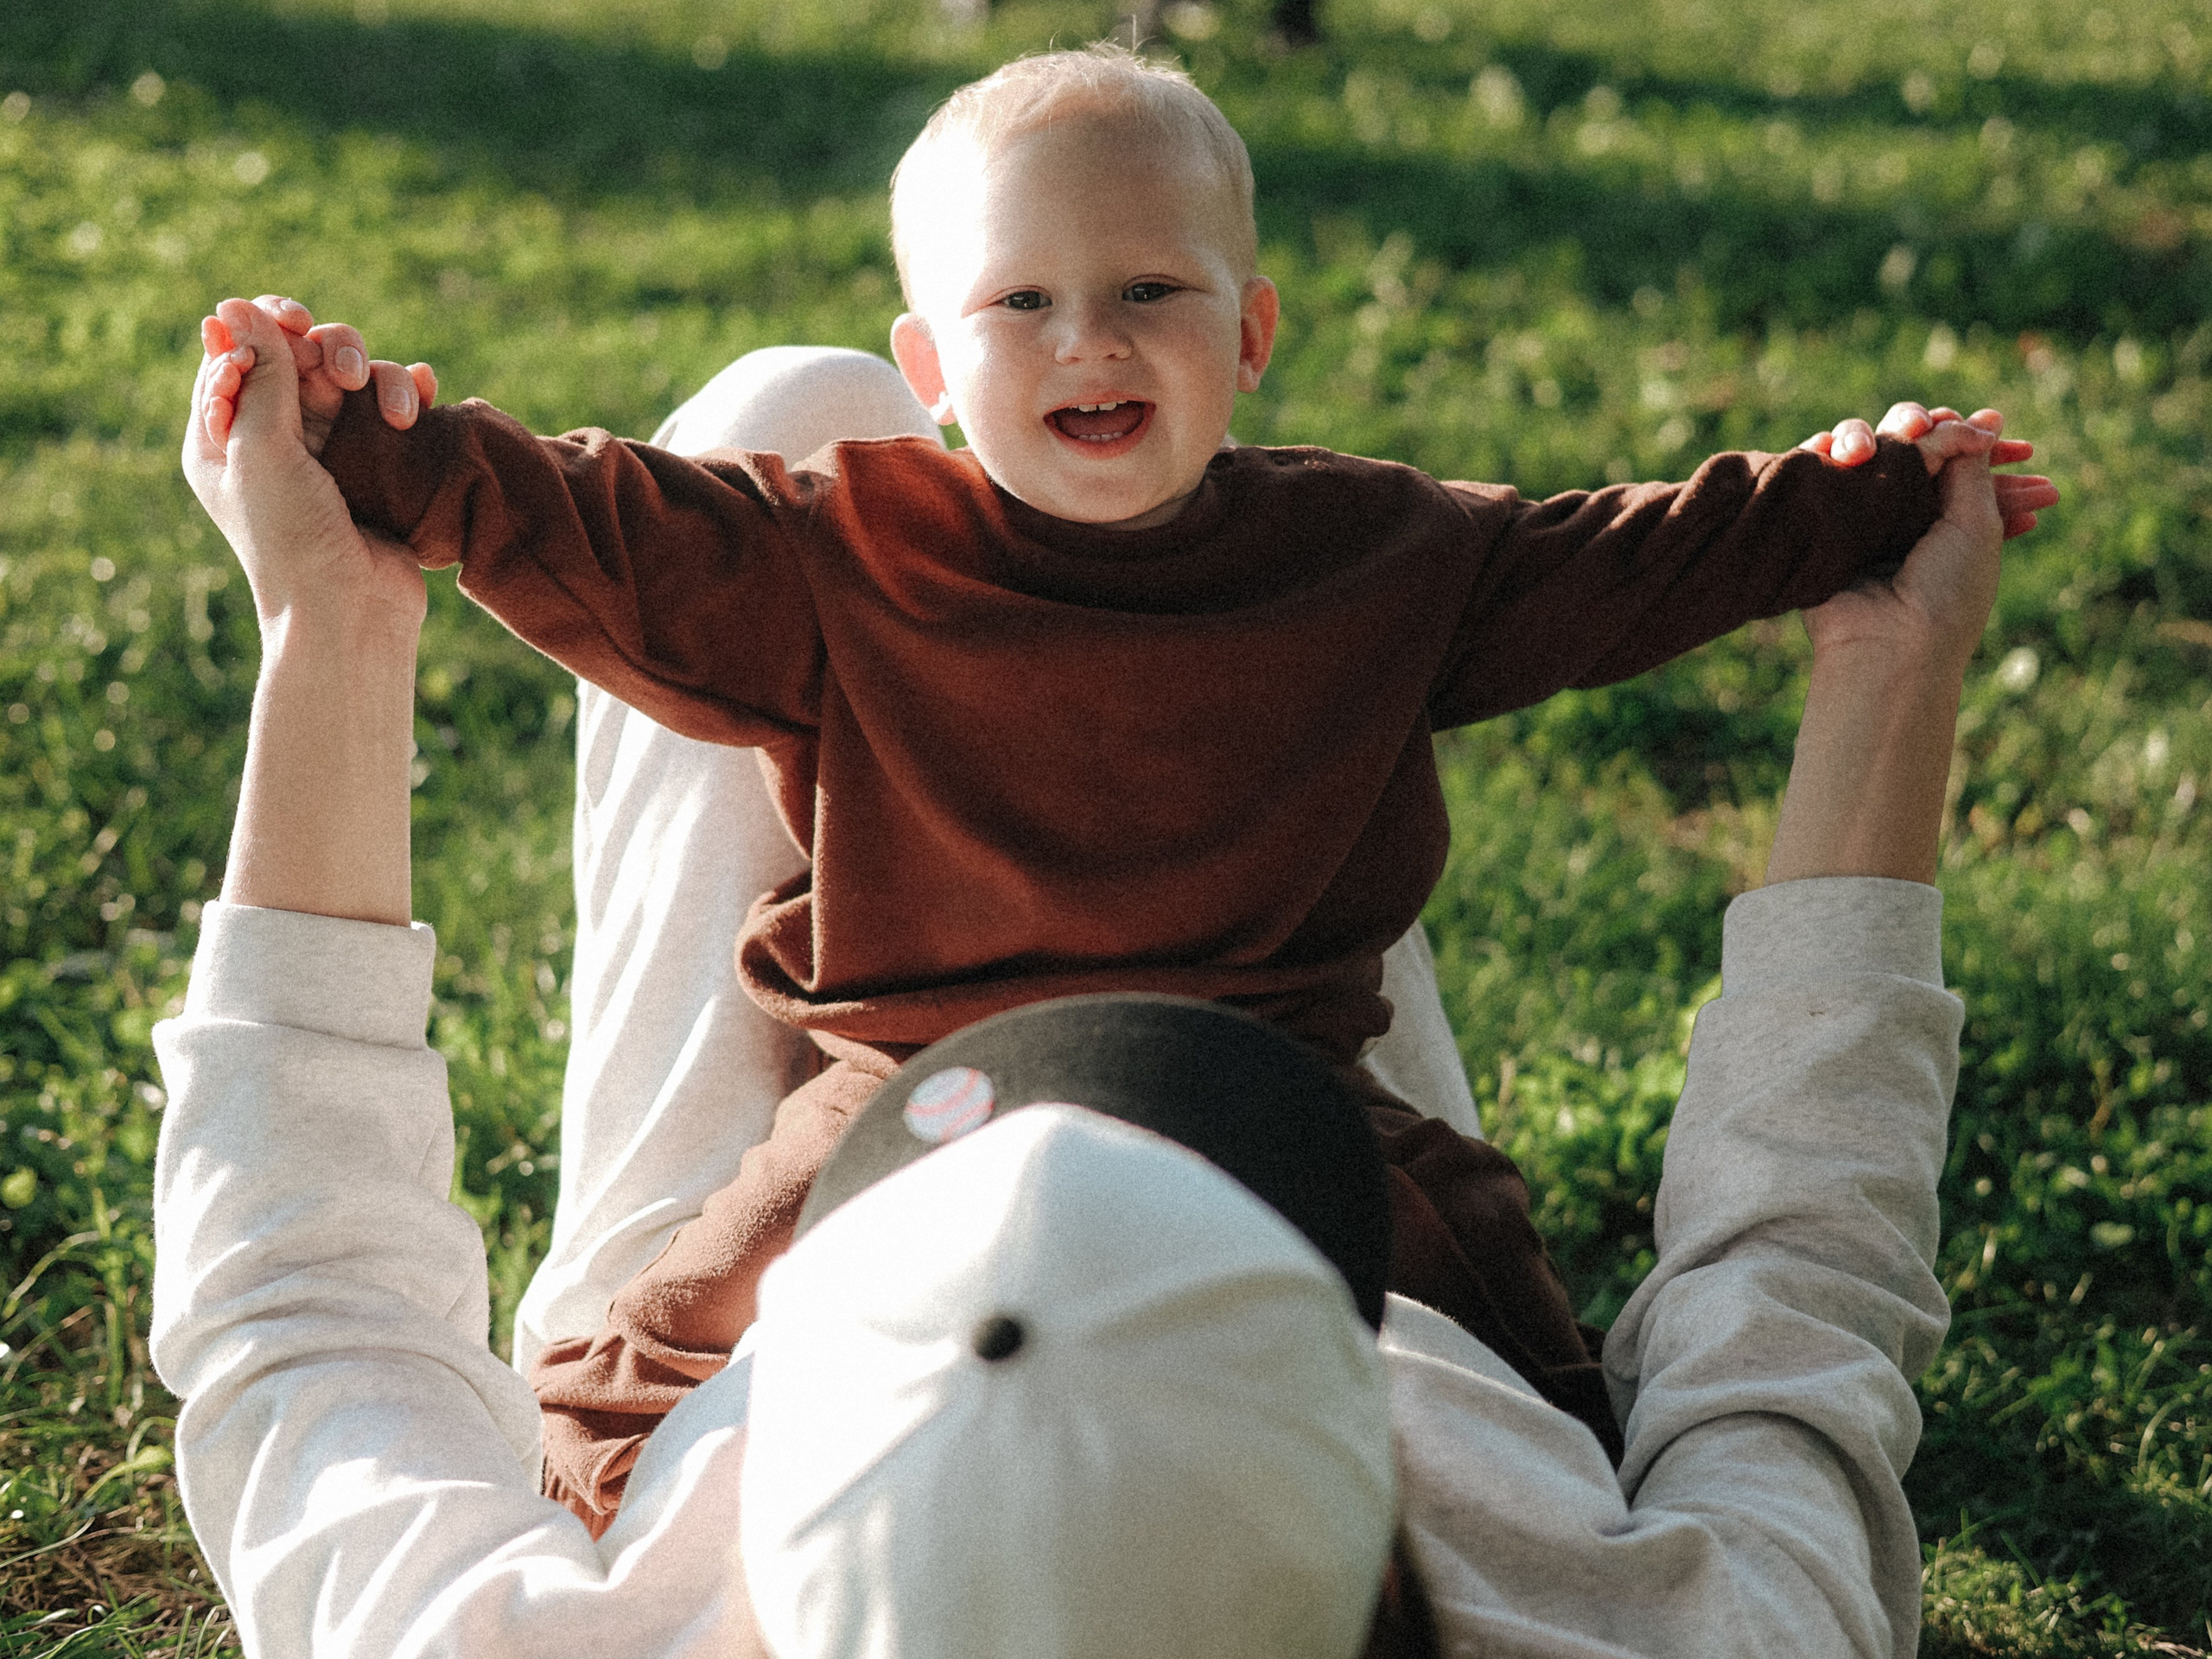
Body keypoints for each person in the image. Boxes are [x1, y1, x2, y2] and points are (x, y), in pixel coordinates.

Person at [188, 43, 2054, 1528]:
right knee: (688, 1309)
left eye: (1150, 290)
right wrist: (389, 454)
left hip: (1274, 1059)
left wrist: (1837, 506)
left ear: (1248, 335)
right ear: (927, 371)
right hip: (911, 1081)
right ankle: (605, 1450)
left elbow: (1611, 558)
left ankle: (1564, 1437)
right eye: (1022, 303)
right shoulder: (843, 548)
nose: (1088, 338)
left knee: (1471, 1266)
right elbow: (609, 522)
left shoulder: (1373, 555)